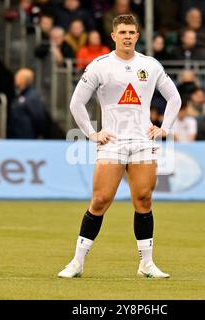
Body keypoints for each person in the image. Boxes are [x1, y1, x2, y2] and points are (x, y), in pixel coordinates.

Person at [59, 14, 181, 278]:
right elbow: (76, 103)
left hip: (141, 141)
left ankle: (146, 264)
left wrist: (165, 128)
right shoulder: (99, 66)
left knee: (144, 200)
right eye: (122, 32)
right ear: (113, 36)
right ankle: (77, 262)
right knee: (101, 200)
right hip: (112, 142)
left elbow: (174, 97)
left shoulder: (150, 65)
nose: (127, 36)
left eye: (132, 32)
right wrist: (92, 133)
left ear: (137, 36)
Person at [8, 68, 48, 139]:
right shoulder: (20, 94)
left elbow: (39, 117)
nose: (15, 78)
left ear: (24, 79)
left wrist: (39, 134)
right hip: (15, 137)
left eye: (18, 76)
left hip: (27, 138)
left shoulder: (32, 97)